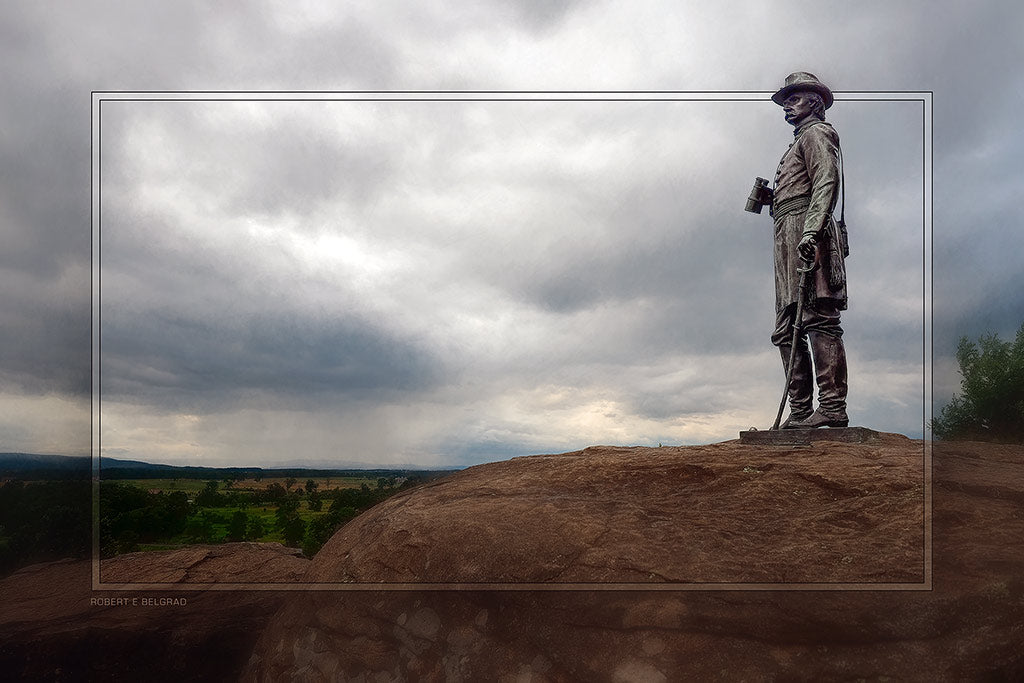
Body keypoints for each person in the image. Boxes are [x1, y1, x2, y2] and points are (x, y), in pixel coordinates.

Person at [769, 72, 849, 428]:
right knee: (786, 328)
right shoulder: (798, 142)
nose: (787, 105)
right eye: (786, 101)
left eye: (795, 99)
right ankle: (800, 411)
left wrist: (812, 230)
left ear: (814, 103)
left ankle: (831, 406)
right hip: (787, 235)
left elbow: (826, 181)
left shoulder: (817, 133)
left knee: (819, 318)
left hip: (807, 233)